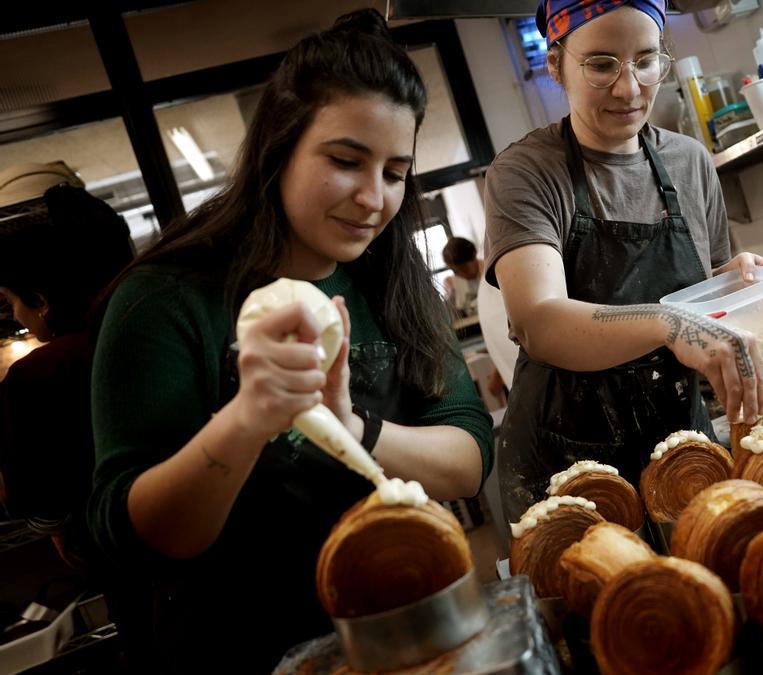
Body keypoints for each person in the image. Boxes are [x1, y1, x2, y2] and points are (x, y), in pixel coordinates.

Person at [86, 11, 493, 673]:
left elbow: (469, 454)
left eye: (394, 172)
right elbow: (140, 535)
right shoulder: (168, 300)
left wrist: (350, 426)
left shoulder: (393, 281)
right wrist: (249, 418)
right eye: (344, 160)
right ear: (280, 147)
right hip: (240, 649)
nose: (373, 197)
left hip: (409, 631)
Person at [484, 0, 763, 523]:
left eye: (646, 60)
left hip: (681, 443)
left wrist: (735, 285)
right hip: (569, 465)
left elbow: (700, 298)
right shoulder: (526, 170)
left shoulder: (689, 162)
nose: (629, 88)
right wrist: (669, 324)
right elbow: (539, 322)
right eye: (600, 65)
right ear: (556, 66)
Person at [0, 178, 135, 569]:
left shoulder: (36, 373)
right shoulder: (148, 328)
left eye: (12, 302)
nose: (15, 316)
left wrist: (57, 528)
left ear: (41, 300)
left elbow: (35, 500)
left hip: (113, 550)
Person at [441, 236, 482, 316]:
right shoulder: (452, 283)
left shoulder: (490, 272)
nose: (460, 275)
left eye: (464, 270)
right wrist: (450, 295)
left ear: (474, 256)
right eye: (455, 271)